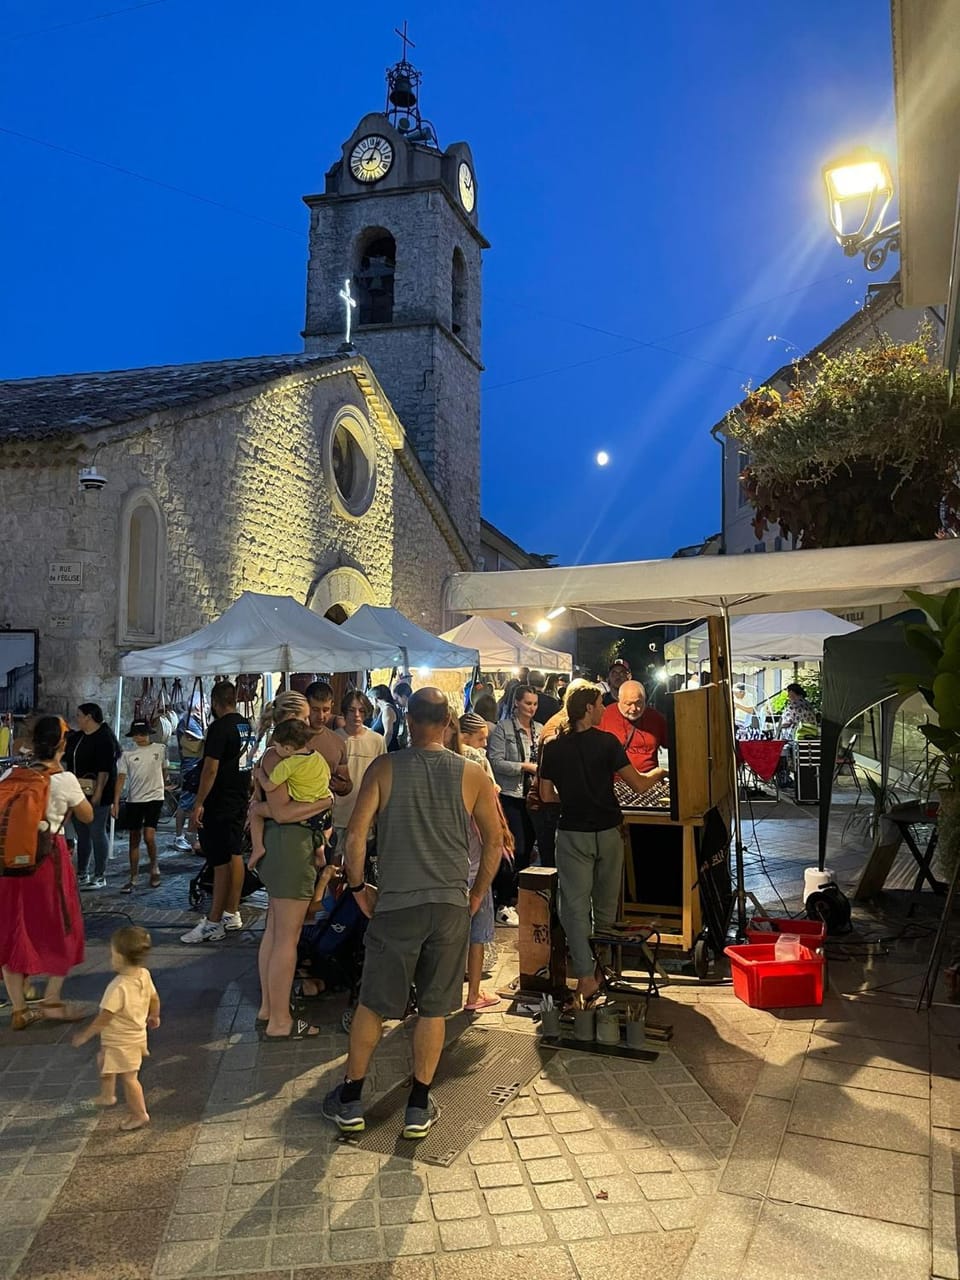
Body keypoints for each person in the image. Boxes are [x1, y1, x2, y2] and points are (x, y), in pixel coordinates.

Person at [322, 688, 501, 1140]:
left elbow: (356, 836)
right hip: (449, 904)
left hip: (397, 902)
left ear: (409, 718)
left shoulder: (386, 767)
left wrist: (360, 888)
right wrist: (476, 893)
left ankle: (351, 1098)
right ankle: (418, 1106)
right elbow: (496, 842)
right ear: (447, 723)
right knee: (435, 1008)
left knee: (373, 1004)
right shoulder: (471, 773)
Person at [539, 684, 667, 1001]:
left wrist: (572, 799)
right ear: (587, 709)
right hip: (608, 833)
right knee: (606, 908)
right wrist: (661, 772)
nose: (602, 708)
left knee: (574, 908)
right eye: (599, 703)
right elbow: (637, 784)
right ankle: (603, 968)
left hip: (571, 833)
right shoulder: (607, 743)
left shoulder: (553, 746)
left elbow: (544, 794)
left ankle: (585, 975)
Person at [249, 692, 333, 1039]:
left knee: (274, 929)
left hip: (282, 846)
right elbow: (283, 812)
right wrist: (324, 802)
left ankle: (270, 1007)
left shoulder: (274, 755)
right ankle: (281, 1020)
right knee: (288, 936)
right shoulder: (277, 757)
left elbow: (270, 808)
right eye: (307, 715)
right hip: (292, 846)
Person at [0, 715, 92, 1029]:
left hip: (9, 864)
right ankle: (52, 999)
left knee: (13, 929)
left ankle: (19, 1008)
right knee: (62, 926)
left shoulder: (13, 772)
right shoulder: (63, 779)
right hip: (47, 861)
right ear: (61, 744)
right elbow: (88, 816)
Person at [180, 682, 251, 944]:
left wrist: (199, 802)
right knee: (233, 854)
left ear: (214, 702)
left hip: (220, 801)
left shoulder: (219, 728)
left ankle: (213, 921)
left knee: (220, 860)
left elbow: (210, 768)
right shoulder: (245, 725)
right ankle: (231, 913)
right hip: (238, 798)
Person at [73, 925, 159, 1131]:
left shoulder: (117, 987)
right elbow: (154, 998)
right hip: (135, 1036)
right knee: (103, 1059)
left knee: (130, 1079)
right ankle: (107, 1095)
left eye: (112, 954)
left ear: (120, 958)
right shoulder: (144, 975)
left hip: (122, 1041)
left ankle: (139, 1114)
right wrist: (154, 1015)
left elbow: (104, 1017)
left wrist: (85, 1035)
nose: (111, 958)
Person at [486, 684, 542, 925]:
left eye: (535, 704)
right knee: (514, 848)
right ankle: (504, 900)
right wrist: (524, 767)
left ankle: (517, 897)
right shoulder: (503, 729)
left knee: (528, 847)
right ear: (517, 703)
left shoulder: (540, 729)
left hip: (534, 795)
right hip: (511, 794)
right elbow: (496, 761)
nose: (532, 708)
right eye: (528, 703)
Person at [248, 719, 331, 871]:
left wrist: (259, 774)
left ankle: (257, 847)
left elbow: (269, 786)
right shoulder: (318, 756)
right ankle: (320, 851)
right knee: (324, 828)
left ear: (287, 748)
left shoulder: (287, 765)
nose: (274, 748)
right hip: (323, 809)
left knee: (255, 810)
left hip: (300, 806)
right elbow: (327, 776)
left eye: (277, 745)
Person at [65, 702, 121, 889]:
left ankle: (100, 874)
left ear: (89, 717)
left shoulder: (104, 738)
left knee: (97, 831)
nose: (77, 718)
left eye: (79, 715)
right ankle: (82, 872)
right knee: (82, 833)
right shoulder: (79, 737)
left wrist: (98, 793)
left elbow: (104, 770)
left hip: (98, 792)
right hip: (79, 791)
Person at [115, 720, 169, 893]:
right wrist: (115, 801)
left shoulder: (159, 749)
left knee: (149, 835)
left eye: (142, 733)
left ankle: (154, 867)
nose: (140, 737)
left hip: (155, 797)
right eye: (137, 734)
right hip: (135, 799)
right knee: (134, 837)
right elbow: (121, 778)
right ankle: (133, 876)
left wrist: (162, 785)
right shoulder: (127, 754)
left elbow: (163, 769)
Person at [333, 690, 386, 853]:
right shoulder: (334, 739)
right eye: (351, 710)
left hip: (366, 816)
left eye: (361, 710)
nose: (356, 715)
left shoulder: (377, 740)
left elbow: (383, 778)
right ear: (344, 712)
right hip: (338, 815)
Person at [599, 680, 667, 774]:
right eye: (628, 704)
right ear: (619, 699)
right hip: (615, 781)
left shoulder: (656, 718)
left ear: (645, 699)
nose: (634, 708)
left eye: (638, 703)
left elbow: (674, 745)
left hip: (650, 780)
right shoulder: (604, 716)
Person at [173, 705, 204, 852]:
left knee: (192, 803)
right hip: (191, 766)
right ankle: (179, 837)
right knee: (186, 801)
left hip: (194, 765)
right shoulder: (187, 722)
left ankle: (189, 835)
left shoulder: (194, 721)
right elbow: (193, 743)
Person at [369, 684, 406, 752]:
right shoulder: (384, 710)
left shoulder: (388, 710)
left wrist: (381, 751)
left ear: (375, 698)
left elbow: (388, 733)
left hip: (389, 751)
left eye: (370, 699)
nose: (370, 702)